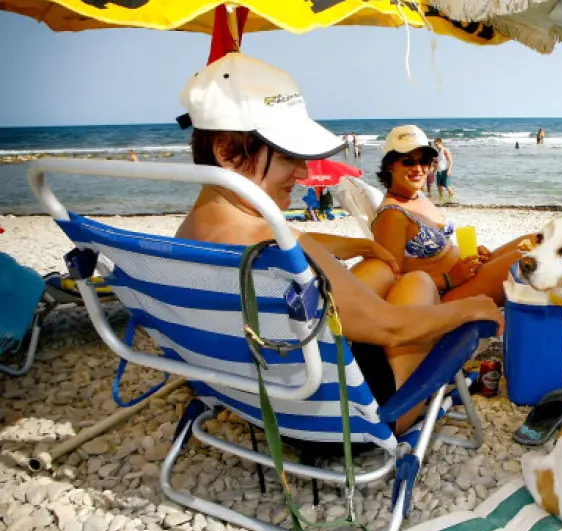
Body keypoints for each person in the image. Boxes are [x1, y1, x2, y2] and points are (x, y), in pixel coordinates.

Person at [173, 54, 502, 433]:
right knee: (417, 282)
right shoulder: (283, 245)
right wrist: (471, 308)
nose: (302, 172)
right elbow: (393, 329)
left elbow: (283, 242)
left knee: (380, 269)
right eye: (288, 156)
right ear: (227, 153)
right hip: (348, 418)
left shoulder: (185, 239)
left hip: (258, 400)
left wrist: (358, 246)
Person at [371, 125, 530, 306]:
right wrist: (448, 279)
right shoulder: (391, 216)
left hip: (465, 273)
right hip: (443, 293)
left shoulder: (417, 196)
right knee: (525, 259)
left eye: (424, 161)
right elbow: (390, 280)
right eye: (408, 162)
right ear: (390, 165)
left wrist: (471, 254)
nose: (418, 168)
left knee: (534, 241)